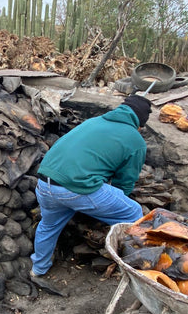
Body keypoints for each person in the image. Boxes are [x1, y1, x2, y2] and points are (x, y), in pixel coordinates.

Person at [29, 94, 152, 296]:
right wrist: (118, 200)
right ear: (139, 123)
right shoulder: (135, 139)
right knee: (134, 213)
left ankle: (38, 269)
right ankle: (136, 266)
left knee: (48, 225)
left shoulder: (95, 121)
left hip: (45, 182)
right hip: (76, 187)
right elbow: (125, 181)